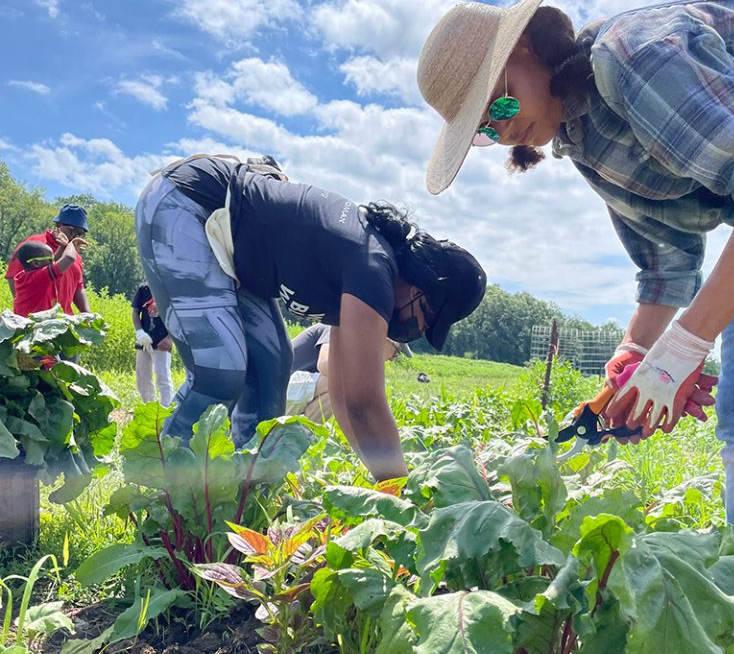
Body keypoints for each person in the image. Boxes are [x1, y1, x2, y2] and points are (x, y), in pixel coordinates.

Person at [416, 0, 734, 536]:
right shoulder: (583, 139)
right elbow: (664, 264)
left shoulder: (634, 57)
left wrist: (683, 349)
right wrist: (636, 354)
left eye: (499, 106)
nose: (503, 133)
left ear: (528, 46)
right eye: (485, 130)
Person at [135, 154, 486, 482]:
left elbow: (346, 396)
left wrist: (385, 489)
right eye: (427, 319)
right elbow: (366, 404)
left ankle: (246, 488)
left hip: (231, 250)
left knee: (274, 365)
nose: (420, 329)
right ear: (420, 290)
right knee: (220, 371)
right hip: (186, 205)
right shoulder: (373, 268)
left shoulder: (364, 273)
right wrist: (403, 492)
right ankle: (161, 488)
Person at [286, 323, 413, 421]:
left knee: (342, 389)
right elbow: (324, 364)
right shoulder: (338, 327)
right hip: (281, 385)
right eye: (396, 353)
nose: (391, 359)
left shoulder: (355, 347)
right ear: (386, 340)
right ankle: (303, 434)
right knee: (342, 386)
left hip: (293, 393)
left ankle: (300, 437)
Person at [6, 203, 90, 314]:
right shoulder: (34, 246)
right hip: (37, 321)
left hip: (62, 322)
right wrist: (27, 312)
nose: (76, 237)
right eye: (73, 231)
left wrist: (87, 315)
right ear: (59, 225)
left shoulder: (74, 254)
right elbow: (14, 278)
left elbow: (78, 288)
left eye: (81, 234)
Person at [11, 232, 85, 317]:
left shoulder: (25, 275)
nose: (53, 262)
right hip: (34, 326)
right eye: (49, 259)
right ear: (36, 263)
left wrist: (63, 247)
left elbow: (54, 261)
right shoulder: (39, 277)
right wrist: (71, 244)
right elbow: (69, 258)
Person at [131, 283, 174, 407]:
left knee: (162, 376)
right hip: (144, 341)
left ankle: (167, 409)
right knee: (143, 377)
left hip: (162, 342)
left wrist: (169, 338)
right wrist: (139, 332)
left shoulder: (169, 288)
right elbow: (135, 312)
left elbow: (177, 317)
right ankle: (149, 406)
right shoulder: (144, 289)